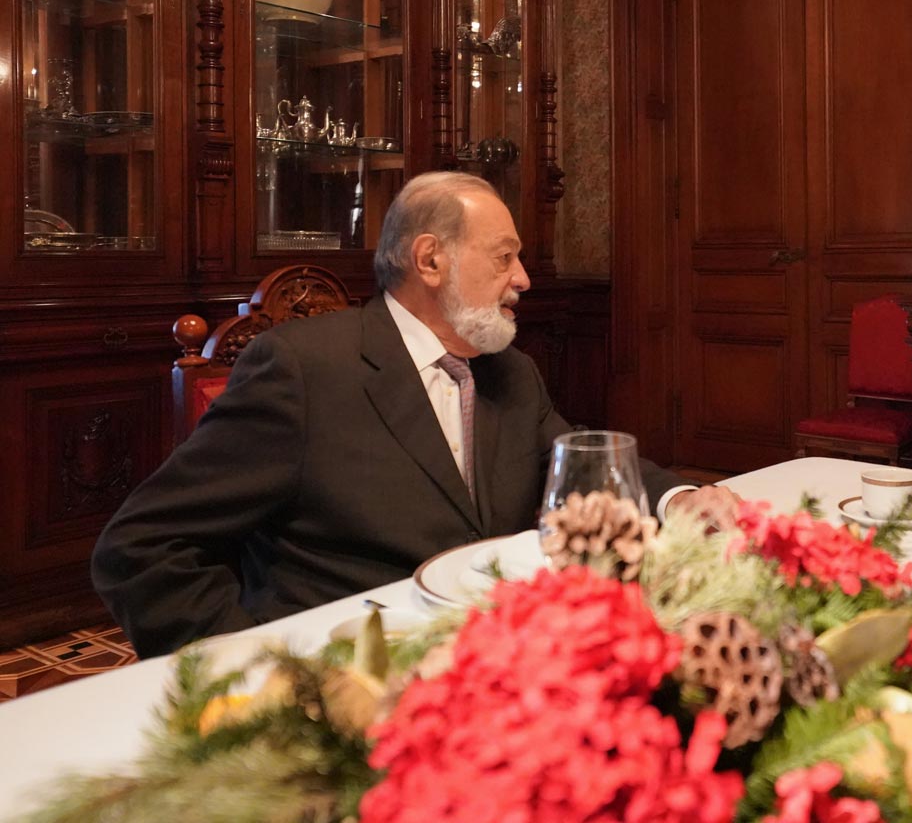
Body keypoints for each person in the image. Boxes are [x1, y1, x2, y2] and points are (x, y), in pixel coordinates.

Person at [94, 172, 737, 657]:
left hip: (498, 664)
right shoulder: (303, 370)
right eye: (504, 256)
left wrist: (680, 499)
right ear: (430, 260)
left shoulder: (509, 371)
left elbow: (582, 466)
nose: (524, 279)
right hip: (352, 678)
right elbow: (141, 549)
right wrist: (250, 670)